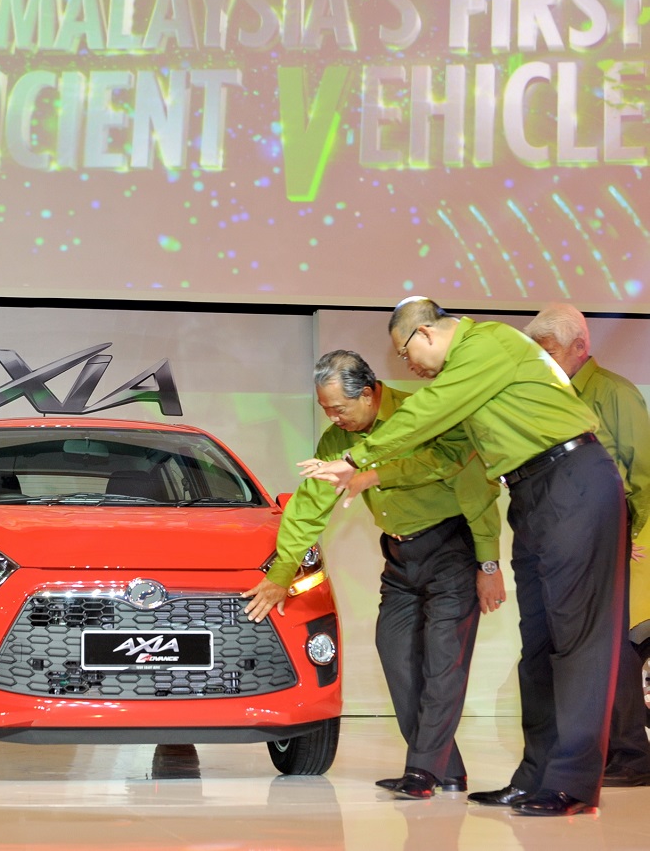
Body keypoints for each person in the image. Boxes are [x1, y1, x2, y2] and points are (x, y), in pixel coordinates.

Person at [302, 298, 627, 817]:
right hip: (531, 491)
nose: (406, 366)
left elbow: (425, 417)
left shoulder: (485, 345)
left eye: (405, 351)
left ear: (427, 333)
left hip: (574, 480)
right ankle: (536, 776)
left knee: (578, 641)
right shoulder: (462, 375)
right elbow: (447, 453)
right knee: (540, 644)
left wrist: (355, 459)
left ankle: (573, 783)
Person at [242, 350, 504, 799]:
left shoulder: (419, 416)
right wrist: (281, 571)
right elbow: (308, 507)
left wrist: (488, 564)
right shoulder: (335, 441)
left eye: (339, 409)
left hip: (451, 549)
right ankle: (449, 769)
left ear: (367, 394)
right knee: (396, 653)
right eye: (325, 410)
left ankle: (422, 772)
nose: (333, 419)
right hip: (400, 558)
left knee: (443, 662)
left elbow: (470, 484)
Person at [524, 302, 650, 787]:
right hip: (558, 537)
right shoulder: (543, 394)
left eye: (549, 348)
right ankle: (586, 748)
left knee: (608, 644)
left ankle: (631, 754)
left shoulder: (614, 393)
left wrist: (628, 529)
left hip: (604, 534)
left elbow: (642, 470)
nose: (542, 358)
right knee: (566, 643)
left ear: (580, 346)